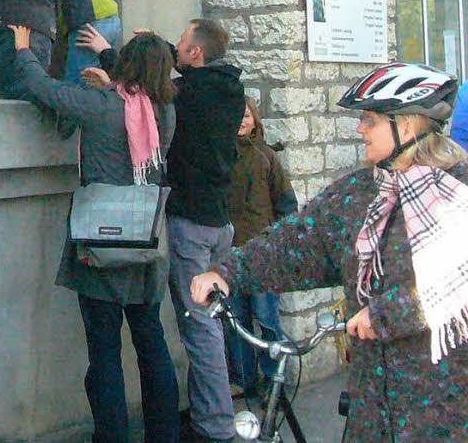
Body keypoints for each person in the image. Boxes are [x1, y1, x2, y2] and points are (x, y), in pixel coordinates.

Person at [192, 62, 468, 442]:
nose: (360, 129)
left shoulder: (459, 193)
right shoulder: (360, 194)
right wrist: (228, 272)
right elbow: (299, 242)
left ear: (405, 124)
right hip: (372, 409)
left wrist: (388, 313)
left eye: (370, 119)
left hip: (445, 410)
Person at [10, 24, 181, 443]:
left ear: (125, 69)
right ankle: (165, 434)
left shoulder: (101, 106)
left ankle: (112, 435)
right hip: (146, 241)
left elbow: (42, 87)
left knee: (104, 353)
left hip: (101, 242)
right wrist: (110, 64)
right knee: (151, 343)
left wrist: (22, 48)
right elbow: (133, 99)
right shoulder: (164, 111)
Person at [82, 19, 245, 443]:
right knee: (199, 325)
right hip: (220, 222)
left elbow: (148, 87)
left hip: (191, 222)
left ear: (196, 56)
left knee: (199, 326)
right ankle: (202, 417)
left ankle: (214, 426)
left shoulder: (187, 96)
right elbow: (158, 76)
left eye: (183, 44)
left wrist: (109, 58)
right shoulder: (226, 87)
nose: (176, 49)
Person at [224, 96, 297, 398]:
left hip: (263, 253)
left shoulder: (266, 156)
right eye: (236, 116)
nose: (242, 121)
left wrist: (279, 241)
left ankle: (273, 380)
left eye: (246, 115)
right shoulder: (221, 157)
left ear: (255, 120)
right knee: (237, 322)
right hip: (230, 252)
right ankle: (243, 379)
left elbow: (287, 203)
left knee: (267, 321)